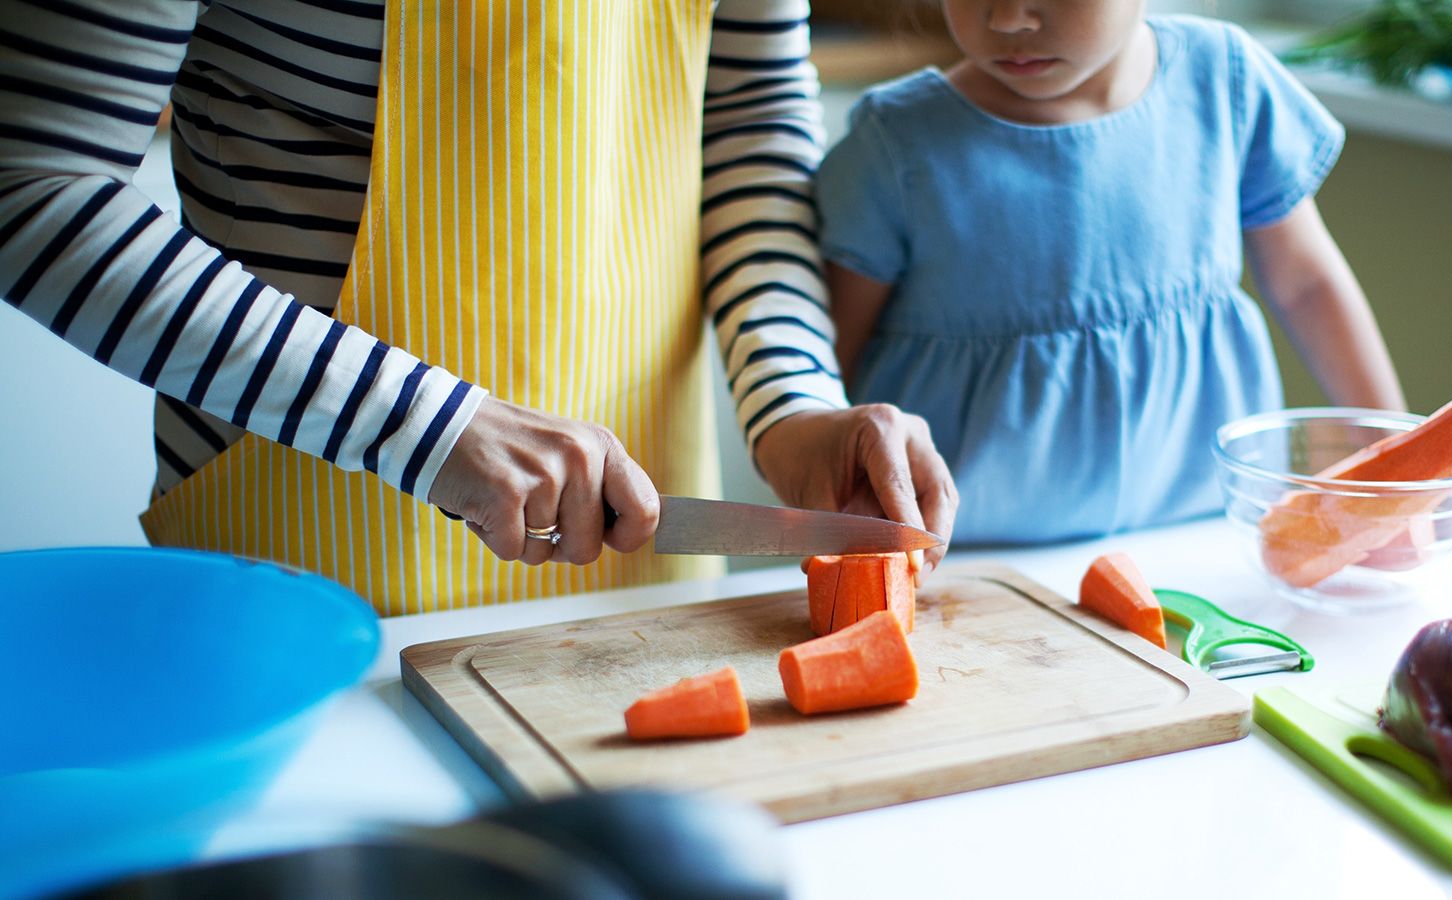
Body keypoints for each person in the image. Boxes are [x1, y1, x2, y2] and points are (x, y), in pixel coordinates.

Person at [0, 0, 957, 615]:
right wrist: (425, 424)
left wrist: (796, 399)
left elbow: (745, 122)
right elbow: (31, 179)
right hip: (295, 571)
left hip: (634, 575)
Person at [814, 0, 1452, 547]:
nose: (1007, 18)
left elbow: (1307, 286)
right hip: (960, 552)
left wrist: (1412, 476)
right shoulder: (896, 141)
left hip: (1193, 537)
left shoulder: (1223, 80)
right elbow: (827, 363)